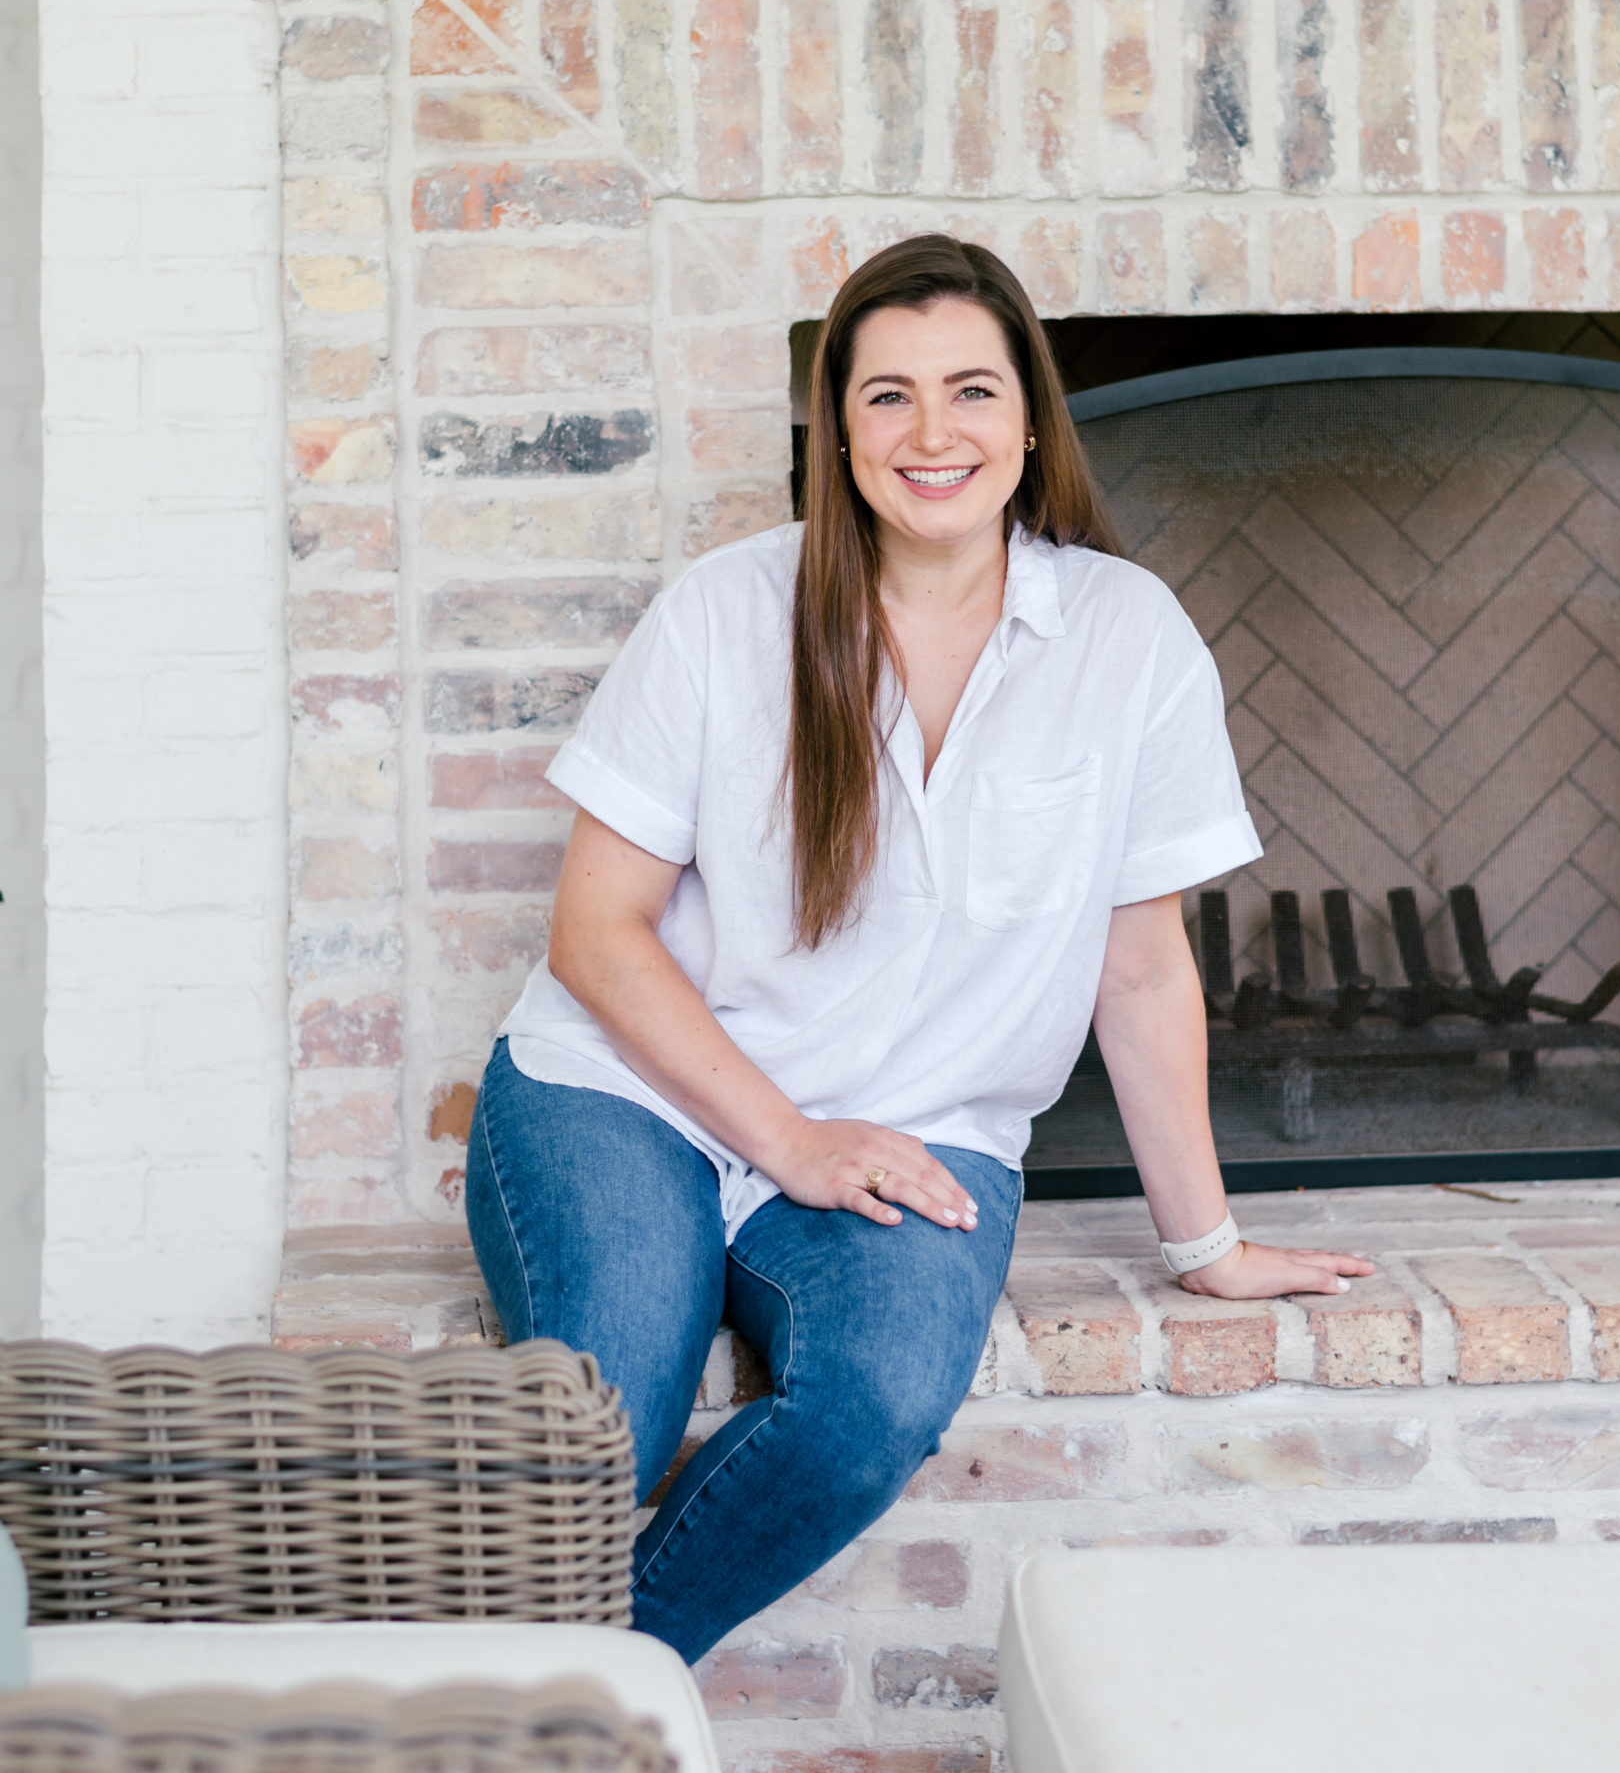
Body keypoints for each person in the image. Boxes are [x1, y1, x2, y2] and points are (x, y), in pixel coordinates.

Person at [466, 235, 1372, 1663]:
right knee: (607, 1418)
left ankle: (567, 1701)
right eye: (886, 397)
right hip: (625, 1094)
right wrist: (791, 1138)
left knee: (871, 1407)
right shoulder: (728, 613)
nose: (931, 434)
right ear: (837, 429)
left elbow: (1138, 972)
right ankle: (543, 1739)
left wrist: (1204, 1243)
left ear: (1030, 420)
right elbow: (596, 934)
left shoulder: (1127, 642)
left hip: (920, 1132)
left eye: (970, 391)